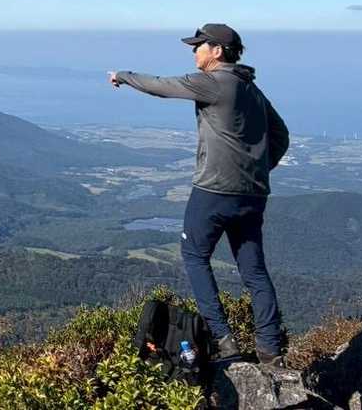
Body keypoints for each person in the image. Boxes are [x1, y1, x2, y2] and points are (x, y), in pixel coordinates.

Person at [109, 23, 290, 365]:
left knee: (194, 255)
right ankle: (270, 348)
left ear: (217, 51)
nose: (194, 51)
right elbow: (281, 134)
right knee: (253, 270)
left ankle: (222, 339)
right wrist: (258, 169)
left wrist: (123, 75)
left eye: (199, 46)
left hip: (214, 191)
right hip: (253, 195)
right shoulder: (250, 88)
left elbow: (162, 86)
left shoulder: (214, 82)